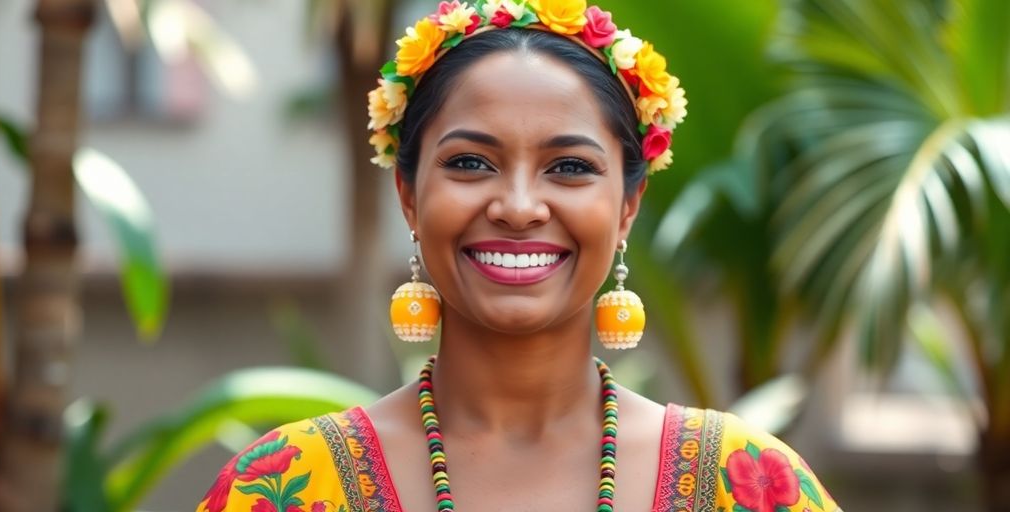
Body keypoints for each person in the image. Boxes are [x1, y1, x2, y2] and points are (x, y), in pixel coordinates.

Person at [196, 1, 842, 511]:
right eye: (470, 163)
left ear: (628, 207)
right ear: (409, 197)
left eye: (569, 167)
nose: (519, 205)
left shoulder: (748, 483)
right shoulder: (287, 486)